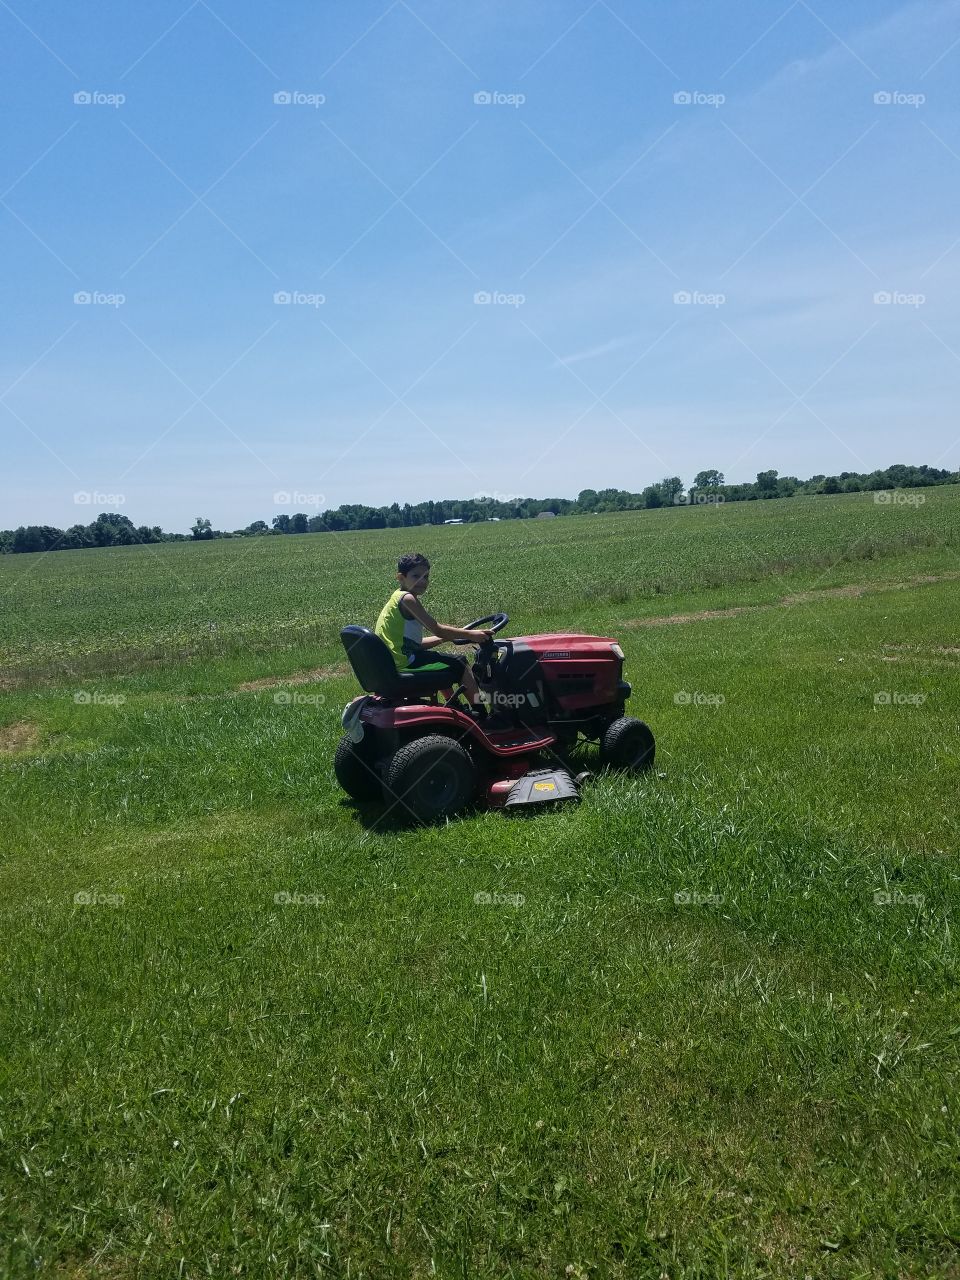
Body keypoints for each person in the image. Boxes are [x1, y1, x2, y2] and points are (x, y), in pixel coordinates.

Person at [375, 551, 492, 714]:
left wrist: (445, 639)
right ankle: (483, 715)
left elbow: (414, 644)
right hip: (405, 663)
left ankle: (454, 705)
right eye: (416, 576)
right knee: (460, 663)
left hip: (397, 660)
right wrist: (472, 635)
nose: (423, 581)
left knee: (441, 659)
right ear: (401, 578)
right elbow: (437, 629)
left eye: (426, 577)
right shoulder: (408, 599)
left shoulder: (396, 597)